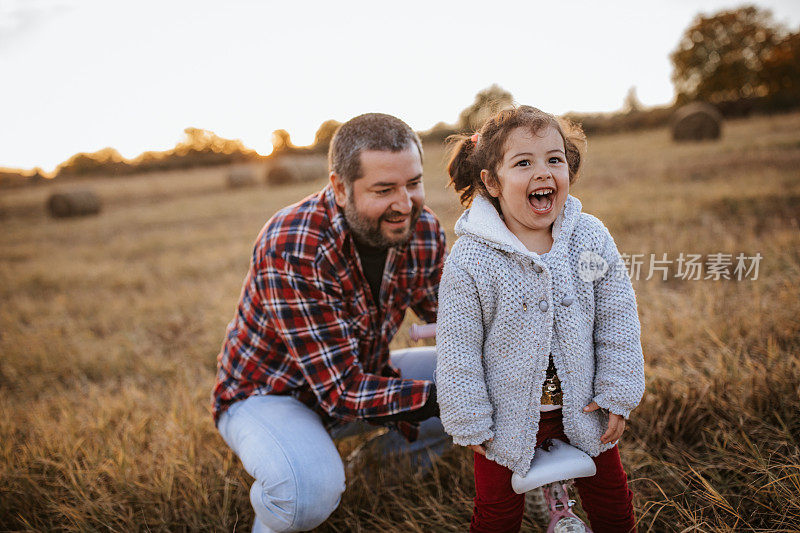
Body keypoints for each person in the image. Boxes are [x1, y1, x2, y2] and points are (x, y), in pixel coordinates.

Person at [213, 113, 451, 532]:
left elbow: (456, 324)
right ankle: (290, 496)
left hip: (361, 374)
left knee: (482, 372)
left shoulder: (423, 229)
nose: (405, 203)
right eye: (384, 190)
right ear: (340, 188)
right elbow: (340, 391)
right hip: (270, 394)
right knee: (307, 495)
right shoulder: (293, 245)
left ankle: (378, 472)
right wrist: (455, 398)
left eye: (413, 183)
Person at [435, 105, 645, 533]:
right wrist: (471, 419)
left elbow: (617, 317)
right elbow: (458, 347)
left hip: (587, 405)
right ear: (491, 182)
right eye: (523, 163)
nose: (543, 172)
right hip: (503, 418)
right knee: (496, 512)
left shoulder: (589, 237)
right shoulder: (472, 258)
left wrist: (616, 392)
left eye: (554, 159)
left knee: (613, 501)